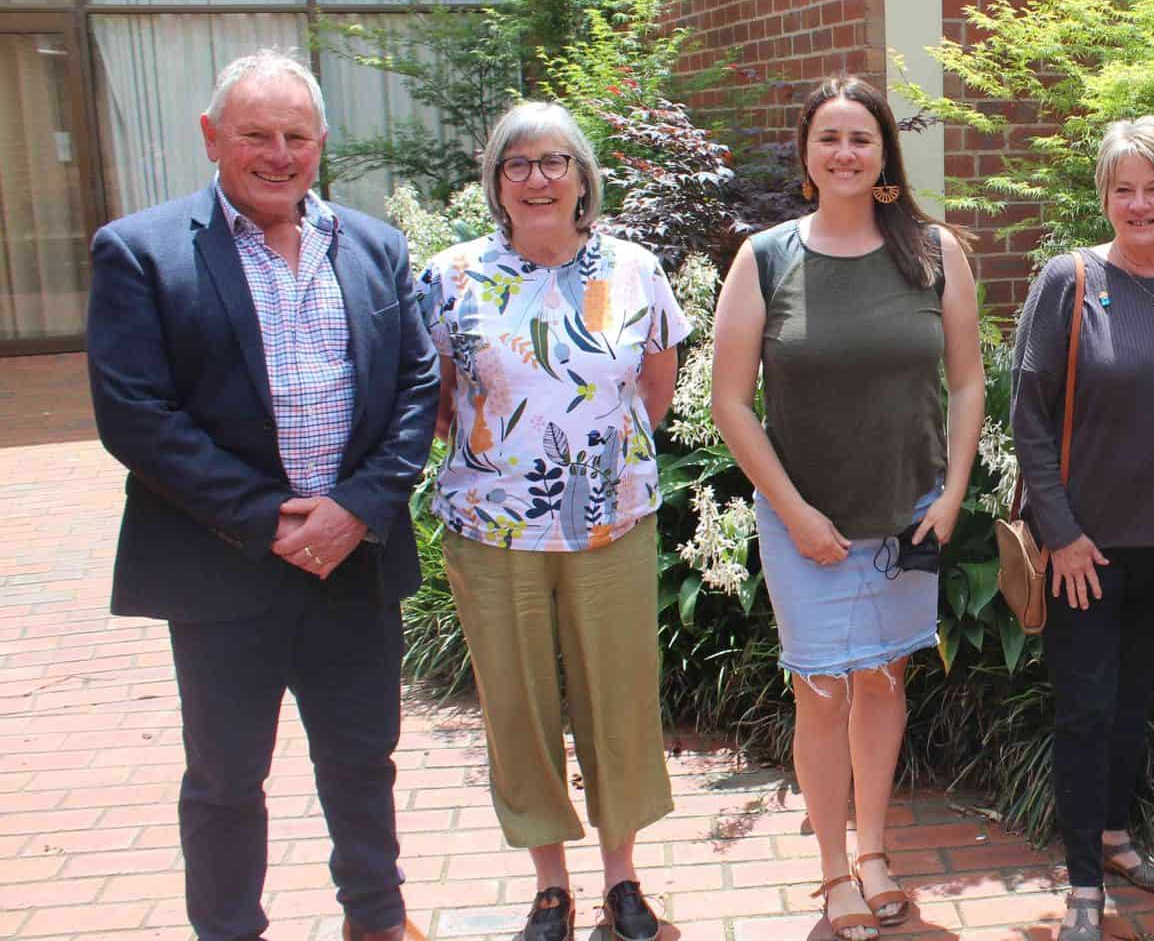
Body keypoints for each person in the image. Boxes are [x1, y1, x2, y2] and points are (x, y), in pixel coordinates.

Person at [85, 47, 437, 941]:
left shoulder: (374, 247)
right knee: (225, 778)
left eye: (296, 136)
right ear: (212, 138)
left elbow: (415, 389)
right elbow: (134, 412)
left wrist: (356, 507)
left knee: (363, 761)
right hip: (222, 564)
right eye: (255, 135)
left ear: (321, 143)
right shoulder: (141, 252)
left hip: (351, 560)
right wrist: (265, 517)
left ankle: (378, 918)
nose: (277, 154)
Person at [710, 76, 984, 941]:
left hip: (907, 510)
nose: (843, 153)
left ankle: (873, 853)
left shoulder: (933, 251)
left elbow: (970, 380)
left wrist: (952, 491)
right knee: (821, 690)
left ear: (883, 157)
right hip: (807, 520)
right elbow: (729, 402)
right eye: (827, 137)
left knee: (883, 679)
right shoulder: (764, 257)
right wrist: (790, 511)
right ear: (805, 154)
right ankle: (832, 870)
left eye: (859, 138)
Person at [413, 101, 690, 941]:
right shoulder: (449, 274)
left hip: (611, 520)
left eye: (553, 161)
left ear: (582, 177)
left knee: (619, 696)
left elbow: (655, 386)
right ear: (496, 182)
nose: (537, 178)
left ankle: (622, 875)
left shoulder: (636, 269)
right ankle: (548, 884)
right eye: (517, 164)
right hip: (492, 527)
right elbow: (435, 401)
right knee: (518, 703)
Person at [1010, 116, 1154, 941]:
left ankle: (1112, 837)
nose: (1138, 204)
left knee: (1135, 698)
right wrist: (1061, 532)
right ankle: (1080, 882)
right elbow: (1030, 417)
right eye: (1122, 189)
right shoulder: (1067, 280)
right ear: (1104, 196)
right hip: (1085, 545)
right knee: (1083, 707)